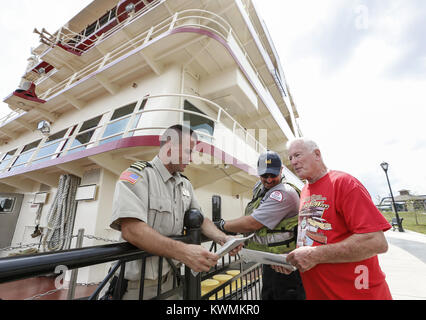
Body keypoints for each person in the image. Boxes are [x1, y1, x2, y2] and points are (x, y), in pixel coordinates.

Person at [109, 124, 240, 299]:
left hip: (172, 281)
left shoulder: (185, 184)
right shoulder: (139, 176)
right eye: (188, 151)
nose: (191, 158)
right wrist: (185, 252)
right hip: (137, 288)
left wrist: (223, 238)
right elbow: (131, 229)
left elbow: (200, 219)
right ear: (170, 148)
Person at [273, 138, 392, 300]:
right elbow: (314, 240)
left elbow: (376, 242)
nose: (293, 162)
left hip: (357, 294)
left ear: (317, 154)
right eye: (291, 158)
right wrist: (293, 259)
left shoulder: (345, 183)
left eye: (298, 155)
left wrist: (314, 255)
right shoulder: (305, 191)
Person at [217, 151, 305, 300]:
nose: (269, 180)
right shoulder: (260, 188)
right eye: (265, 175)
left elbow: (253, 223)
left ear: (281, 171)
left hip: (287, 266)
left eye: (273, 175)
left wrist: (222, 225)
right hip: (268, 262)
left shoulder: (285, 193)